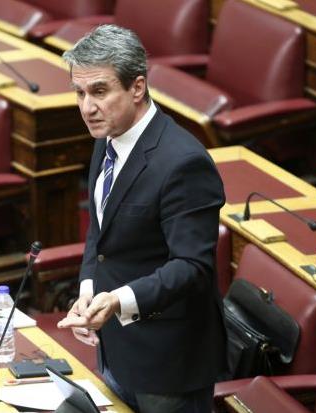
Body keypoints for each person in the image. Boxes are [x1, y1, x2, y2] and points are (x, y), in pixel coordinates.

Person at [57, 25, 227, 413]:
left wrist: (118, 300)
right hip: (115, 348)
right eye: (80, 93)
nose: (87, 107)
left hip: (168, 363)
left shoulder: (183, 162)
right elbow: (101, 231)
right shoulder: (107, 138)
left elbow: (192, 267)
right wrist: (88, 289)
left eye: (99, 91)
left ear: (137, 87)